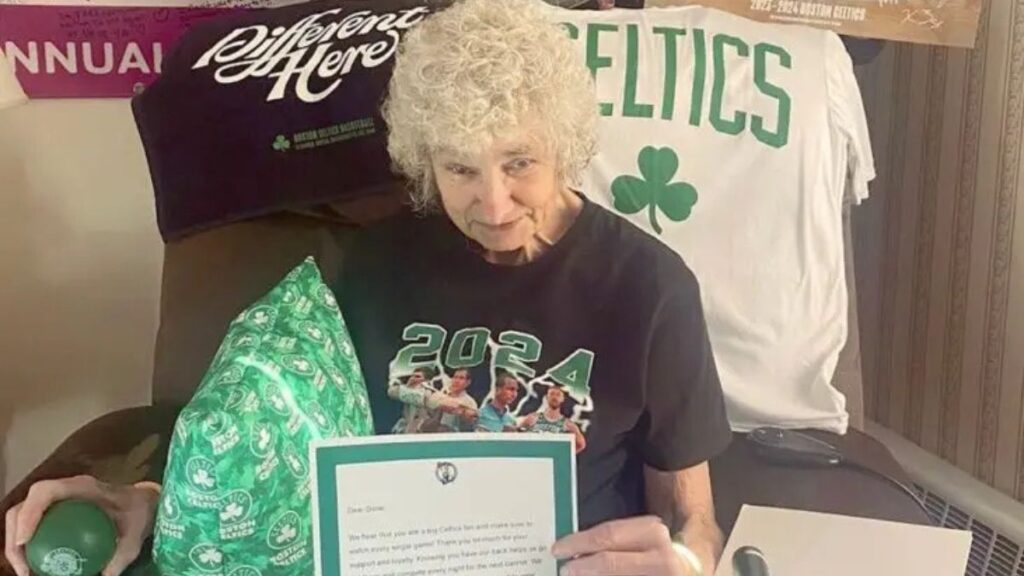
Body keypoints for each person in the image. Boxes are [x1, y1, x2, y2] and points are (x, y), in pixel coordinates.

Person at [4, 1, 732, 574]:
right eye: (460, 169)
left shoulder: (650, 289)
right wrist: (148, 502)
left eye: (519, 163)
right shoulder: (371, 264)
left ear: (563, 147)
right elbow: (281, 441)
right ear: (424, 162)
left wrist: (689, 564)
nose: (493, 203)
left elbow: (691, 516)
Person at [521, 385, 587, 453]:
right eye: (552, 394)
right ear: (546, 397)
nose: (554, 397)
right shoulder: (533, 418)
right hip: (535, 456)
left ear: (563, 399)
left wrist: (564, 454)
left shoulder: (568, 424)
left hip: (553, 458)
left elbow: (581, 445)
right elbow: (516, 435)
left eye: (558, 395)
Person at [387, 367, 438, 434]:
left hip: (425, 433)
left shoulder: (429, 393)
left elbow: (392, 392)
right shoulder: (409, 391)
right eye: (412, 376)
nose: (412, 379)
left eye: (417, 377)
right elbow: (391, 392)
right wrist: (407, 386)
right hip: (410, 432)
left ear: (427, 380)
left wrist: (407, 388)